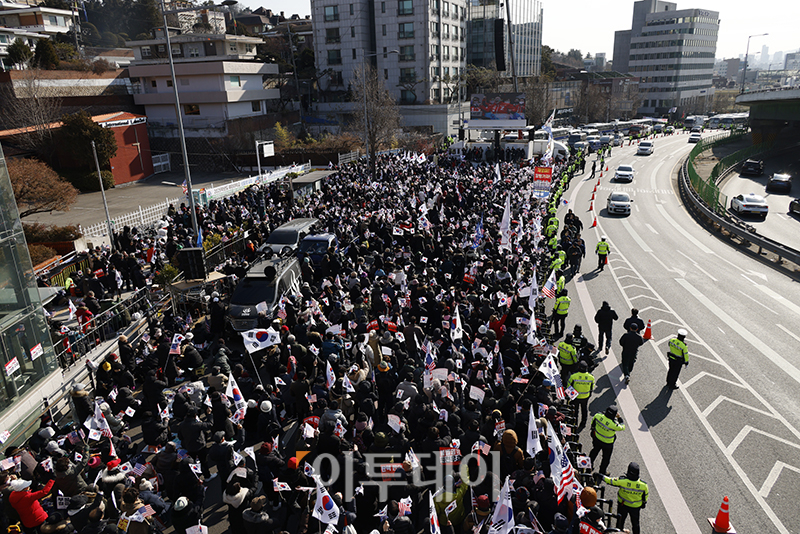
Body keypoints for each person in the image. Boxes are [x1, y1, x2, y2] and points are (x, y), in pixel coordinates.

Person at [603, 462, 648, 534]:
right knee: (635, 524)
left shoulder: (622, 481)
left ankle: (619, 532)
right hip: (635, 507)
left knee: (620, 521)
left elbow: (610, 481)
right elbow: (645, 496)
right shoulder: (643, 485)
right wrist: (643, 503)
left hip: (623, 505)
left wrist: (601, 476)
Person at [589, 404, 625, 476]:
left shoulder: (598, 416)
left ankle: (588, 465)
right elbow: (622, 427)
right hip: (607, 444)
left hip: (597, 439)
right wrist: (619, 418)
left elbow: (592, 423)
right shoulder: (614, 425)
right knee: (606, 458)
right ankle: (602, 472)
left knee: (594, 452)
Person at [567, 361, 594, 429]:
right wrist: (589, 395)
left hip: (575, 396)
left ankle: (574, 423)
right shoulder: (591, 377)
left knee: (575, 410)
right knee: (584, 410)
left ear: (579, 367)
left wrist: (571, 396)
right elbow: (592, 388)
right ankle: (583, 423)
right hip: (585, 397)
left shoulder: (573, 376)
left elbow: (568, 386)